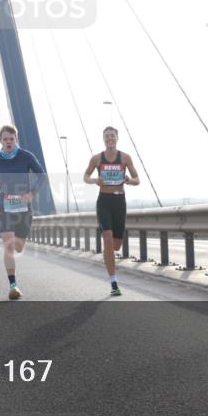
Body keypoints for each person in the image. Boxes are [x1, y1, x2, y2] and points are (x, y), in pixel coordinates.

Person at [0, 124, 44, 300]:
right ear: (0, 141)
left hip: (23, 207)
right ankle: (13, 285)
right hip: (4, 206)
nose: (9, 142)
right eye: (5, 139)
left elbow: (41, 174)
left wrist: (32, 193)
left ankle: (14, 280)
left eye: (11, 139)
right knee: (9, 245)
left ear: (16, 139)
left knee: (19, 246)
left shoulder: (26, 156)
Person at [83, 127, 140, 296]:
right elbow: (85, 176)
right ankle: (114, 282)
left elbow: (138, 179)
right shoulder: (96, 158)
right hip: (104, 202)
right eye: (107, 136)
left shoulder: (125, 157)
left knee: (116, 245)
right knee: (107, 239)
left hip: (119, 202)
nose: (110, 139)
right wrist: (95, 180)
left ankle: (108, 257)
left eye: (112, 136)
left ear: (117, 138)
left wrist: (129, 180)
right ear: (103, 139)